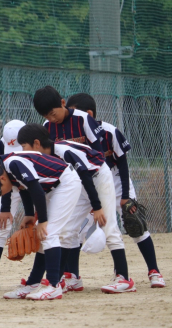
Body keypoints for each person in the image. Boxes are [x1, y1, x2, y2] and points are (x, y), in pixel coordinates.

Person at [18, 123, 136, 293]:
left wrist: (97, 207)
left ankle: (124, 278)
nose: (22, 151)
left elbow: (86, 176)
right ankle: (58, 280)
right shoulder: (44, 157)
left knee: (108, 225)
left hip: (98, 177)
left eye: (24, 146)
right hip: (79, 185)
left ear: (36, 143)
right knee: (66, 230)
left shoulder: (63, 152)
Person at [67, 93, 165, 288]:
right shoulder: (73, 136)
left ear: (88, 114)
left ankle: (154, 272)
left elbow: (123, 163)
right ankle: (72, 276)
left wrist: (126, 197)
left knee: (134, 224)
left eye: (74, 113)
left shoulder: (109, 131)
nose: (71, 118)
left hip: (117, 179)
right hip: (89, 182)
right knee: (76, 229)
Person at [0, 149, 81, 300]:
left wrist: (42, 220)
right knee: (42, 234)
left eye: (0, 191)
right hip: (54, 186)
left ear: (2, 179)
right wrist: (30, 214)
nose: (2, 194)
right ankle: (33, 283)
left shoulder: (12, 164)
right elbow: (24, 187)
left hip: (66, 183)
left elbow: (36, 189)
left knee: (48, 232)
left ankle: (53, 285)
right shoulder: (7, 168)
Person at [0, 119, 26, 292]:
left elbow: (34, 187)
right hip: (10, 187)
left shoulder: (37, 145)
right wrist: (5, 208)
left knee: (46, 227)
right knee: (1, 225)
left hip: (35, 184)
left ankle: (56, 275)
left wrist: (32, 213)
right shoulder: (3, 142)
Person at [33, 85, 104, 153]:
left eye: (53, 114)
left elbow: (98, 151)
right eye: (46, 117)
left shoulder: (83, 118)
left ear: (63, 103)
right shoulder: (47, 125)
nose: (52, 119)